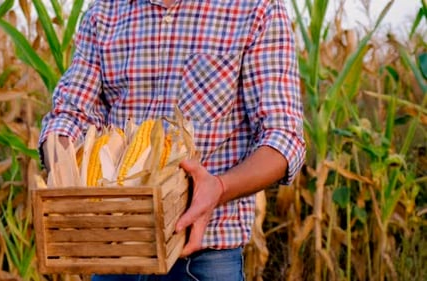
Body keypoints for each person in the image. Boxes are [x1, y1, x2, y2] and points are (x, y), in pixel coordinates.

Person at [38, 0, 305, 280]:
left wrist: (219, 187)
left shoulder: (256, 9)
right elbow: (69, 114)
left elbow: (283, 137)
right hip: (116, 250)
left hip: (202, 258)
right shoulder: (104, 12)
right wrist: (66, 170)